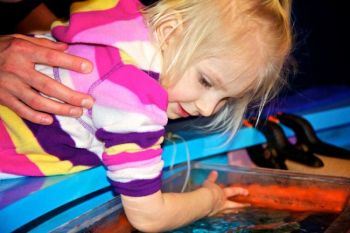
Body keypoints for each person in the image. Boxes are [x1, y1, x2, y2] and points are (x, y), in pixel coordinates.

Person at [0, 0, 292, 231]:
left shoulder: (119, 19)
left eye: (226, 98)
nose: (207, 109)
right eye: (206, 81)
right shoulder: (134, 97)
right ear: (168, 31)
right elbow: (148, 218)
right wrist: (210, 200)